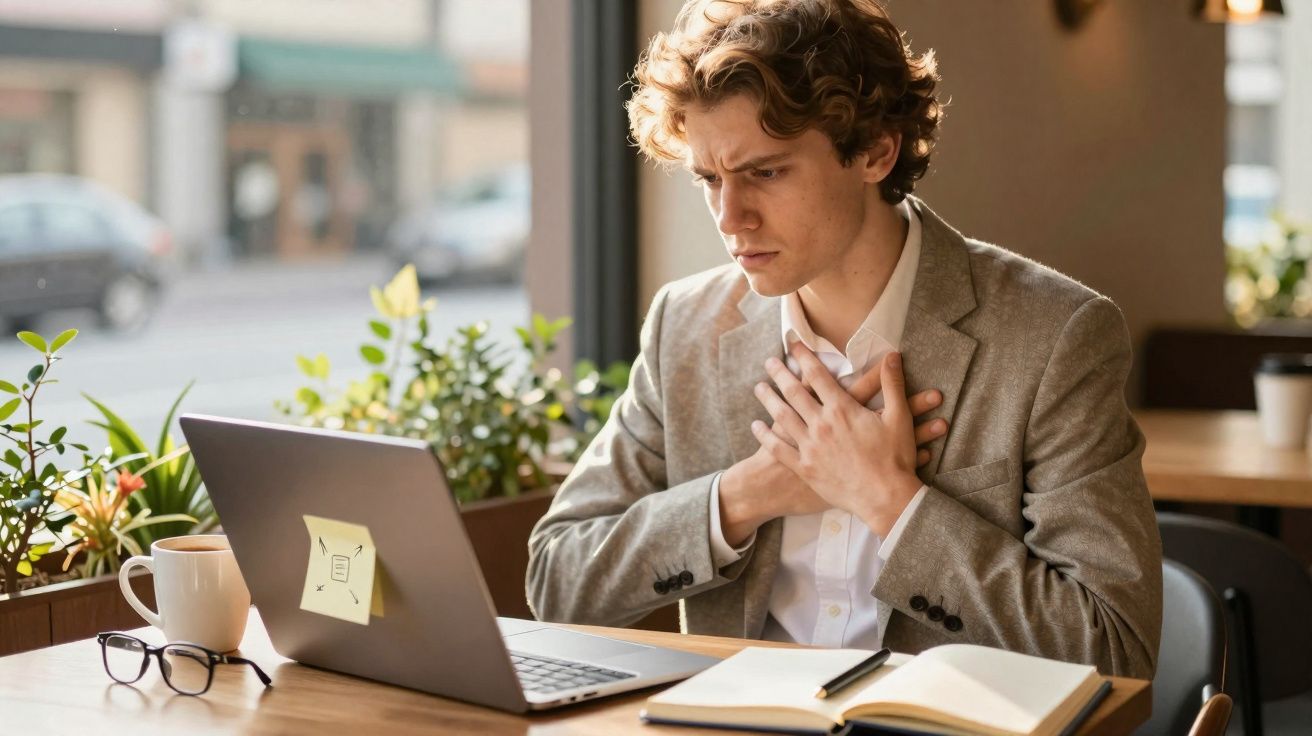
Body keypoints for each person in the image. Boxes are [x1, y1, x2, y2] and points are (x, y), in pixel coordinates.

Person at [526, 0, 1161, 679]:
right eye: (709, 179)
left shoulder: (1053, 335)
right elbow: (558, 580)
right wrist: (748, 495)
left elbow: (1113, 648)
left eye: (765, 173)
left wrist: (887, 498)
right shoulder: (685, 327)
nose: (729, 217)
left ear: (876, 152)